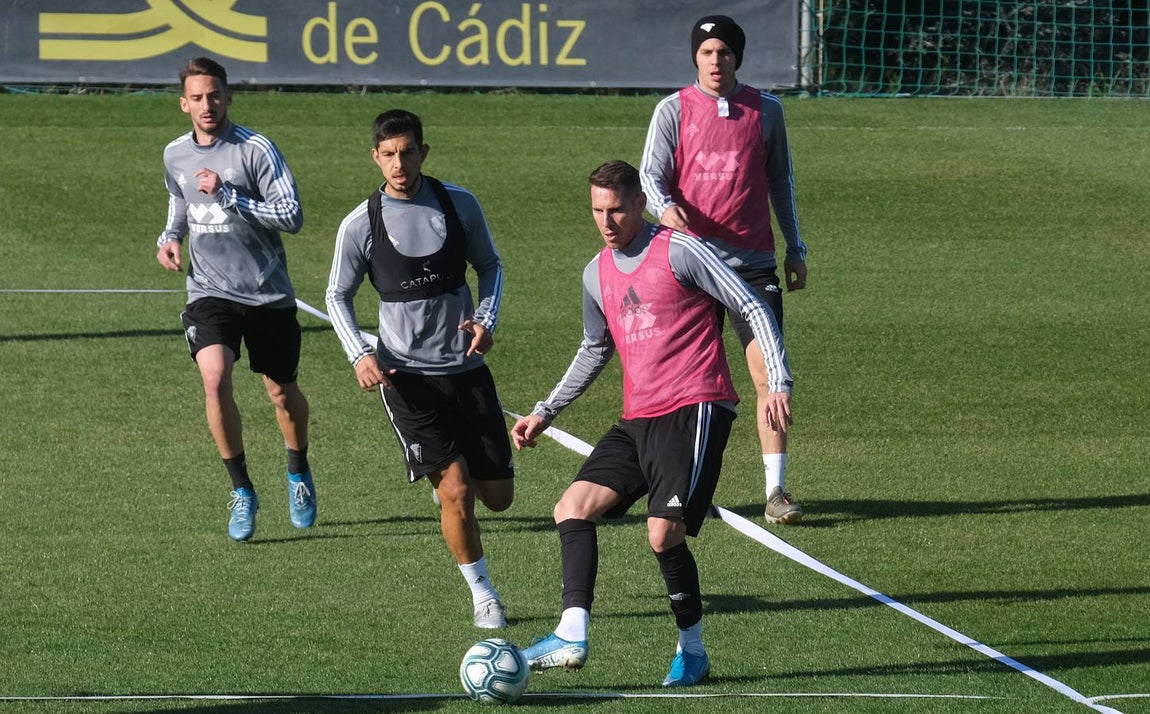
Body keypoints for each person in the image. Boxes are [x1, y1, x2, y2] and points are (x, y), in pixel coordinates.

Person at [512, 161, 793, 687]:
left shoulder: (681, 250)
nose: (607, 220)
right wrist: (546, 411)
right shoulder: (595, 272)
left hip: (696, 406)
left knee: (663, 535)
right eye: (597, 210)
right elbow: (594, 349)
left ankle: (693, 651)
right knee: (571, 508)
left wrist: (777, 379)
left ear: (640, 202)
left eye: (616, 208)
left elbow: (750, 304)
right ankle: (572, 632)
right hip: (638, 417)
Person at [325, 109, 514, 629]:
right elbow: (336, 295)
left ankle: (450, 478)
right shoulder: (362, 222)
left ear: (423, 153)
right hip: (405, 377)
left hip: (466, 368)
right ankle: (483, 594)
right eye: (388, 154)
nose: (399, 163)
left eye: (408, 152)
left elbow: (491, 266)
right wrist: (360, 355)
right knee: (456, 491)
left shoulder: (458, 204)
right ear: (375, 157)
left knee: (497, 497)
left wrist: (487, 317)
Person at [640, 14, 809, 525]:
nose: (717, 61)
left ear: (738, 58)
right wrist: (664, 209)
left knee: (769, 374)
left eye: (725, 53)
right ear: (696, 57)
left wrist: (795, 247)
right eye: (708, 52)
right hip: (691, 267)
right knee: (683, 380)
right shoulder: (672, 110)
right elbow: (650, 176)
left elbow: (781, 181)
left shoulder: (767, 111)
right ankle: (667, 480)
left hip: (754, 267)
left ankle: (776, 491)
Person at [155, 56, 316, 543]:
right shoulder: (175, 154)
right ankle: (242, 489)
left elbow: (292, 216)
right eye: (198, 98)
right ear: (184, 103)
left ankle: (297, 471)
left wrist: (230, 196)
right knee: (214, 378)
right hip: (208, 290)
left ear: (229, 96)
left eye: (215, 95)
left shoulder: (256, 150)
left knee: (281, 393)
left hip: (267, 294)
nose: (207, 105)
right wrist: (171, 235)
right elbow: (179, 196)